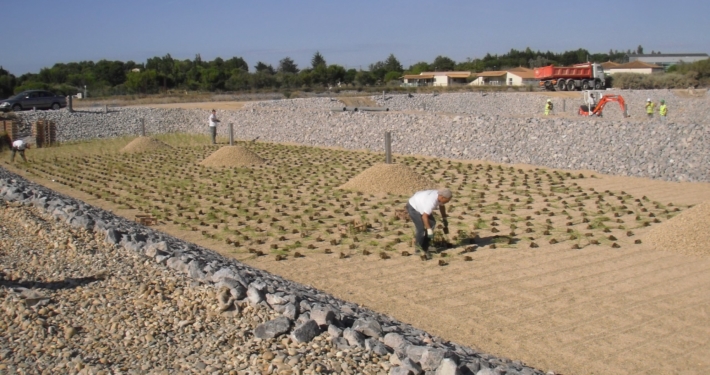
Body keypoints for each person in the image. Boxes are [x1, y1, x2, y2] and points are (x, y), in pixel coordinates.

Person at [407, 188, 452, 254]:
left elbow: (441, 206)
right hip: (413, 206)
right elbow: (424, 217)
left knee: (432, 223)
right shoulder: (431, 202)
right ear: (442, 197)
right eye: (447, 201)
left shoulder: (440, 196)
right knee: (420, 229)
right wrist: (429, 230)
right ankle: (418, 249)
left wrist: (444, 218)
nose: (447, 202)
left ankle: (425, 246)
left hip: (421, 203)